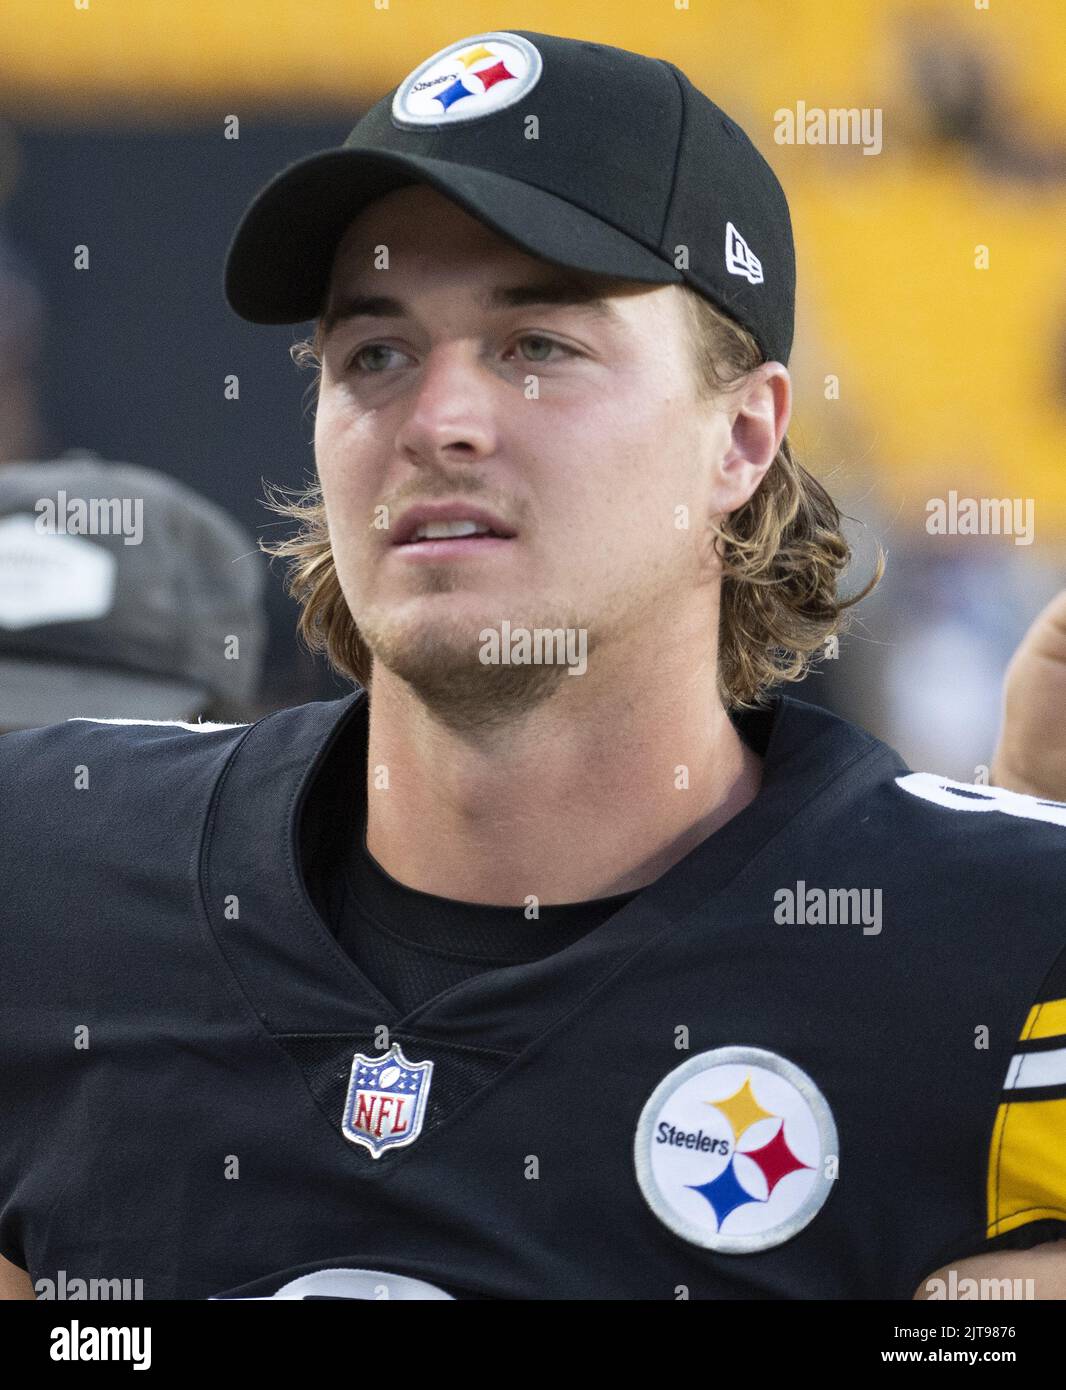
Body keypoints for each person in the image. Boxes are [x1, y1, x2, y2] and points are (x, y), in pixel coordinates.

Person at [1, 30, 1064, 1301]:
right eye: (374, 355)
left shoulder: (996, 959)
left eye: (537, 347)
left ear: (740, 436)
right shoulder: (48, 871)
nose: (437, 418)